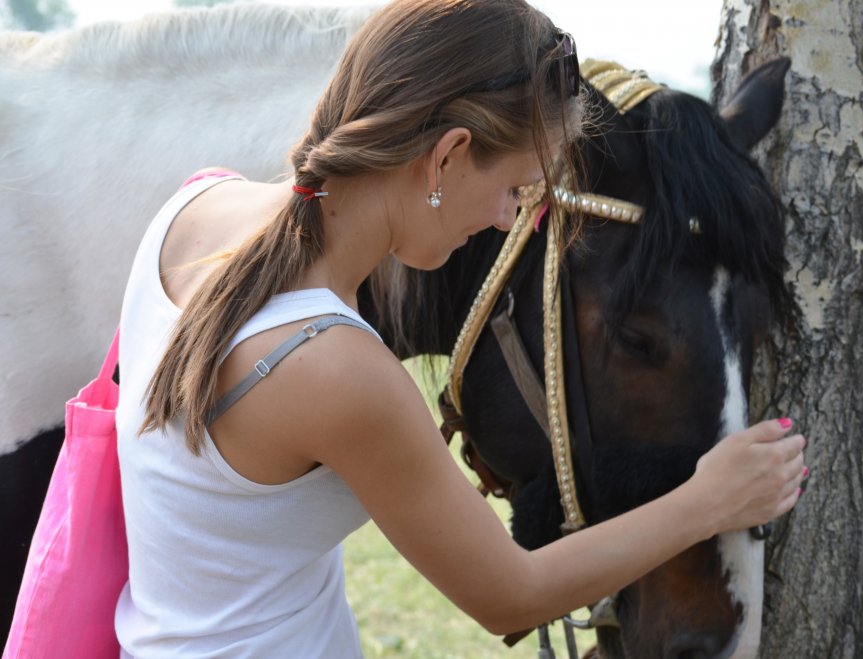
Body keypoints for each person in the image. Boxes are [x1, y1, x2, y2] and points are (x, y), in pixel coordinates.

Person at [114, 0, 808, 656]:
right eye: (513, 188)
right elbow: (512, 595)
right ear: (445, 157)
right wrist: (707, 501)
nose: (509, 219)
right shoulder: (336, 366)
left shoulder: (195, 206)